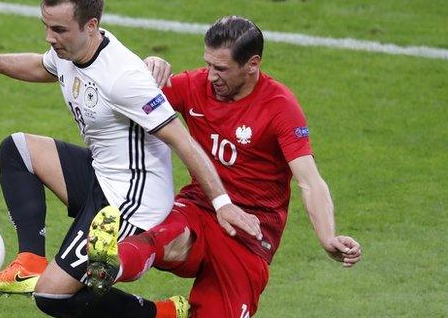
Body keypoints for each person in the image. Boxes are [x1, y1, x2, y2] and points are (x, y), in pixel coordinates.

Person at [0, 0, 260, 318]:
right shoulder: (68, 51)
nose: (50, 38)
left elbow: (182, 141)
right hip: (102, 173)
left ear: (91, 25)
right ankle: (29, 261)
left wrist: (222, 203)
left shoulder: (123, 79)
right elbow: (41, 65)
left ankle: (163, 314)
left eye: (59, 30)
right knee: (17, 149)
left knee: (52, 297)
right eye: (46, 27)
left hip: (131, 201)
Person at [86, 16, 362, 317]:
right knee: (166, 234)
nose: (211, 76)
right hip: (200, 208)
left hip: (249, 239)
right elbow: (130, 96)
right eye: (208, 64)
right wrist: (147, 67)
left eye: (221, 69)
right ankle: (109, 264)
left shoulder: (280, 107)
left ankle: (169, 310)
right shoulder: (196, 85)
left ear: (252, 64)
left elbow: (310, 180)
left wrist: (327, 236)